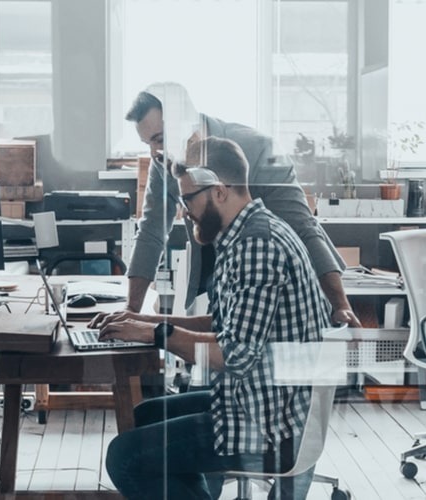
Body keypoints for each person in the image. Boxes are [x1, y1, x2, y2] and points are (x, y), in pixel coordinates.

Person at [96, 137, 331, 500]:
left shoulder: (257, 246)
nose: (183, 211)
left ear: (219, 191)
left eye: (188, 199)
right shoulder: (245, 234)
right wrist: (143, 323)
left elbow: (232, 354)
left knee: (124, 457)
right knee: (145, 417)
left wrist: (156, 334)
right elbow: (226, 325)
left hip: (271, 424)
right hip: (262, 400)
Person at [123, 84, 361, 328]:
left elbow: (302, 227)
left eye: (159, 139)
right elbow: (151, 231)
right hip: (216, 272)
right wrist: (131, 310)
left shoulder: (258, 148)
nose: (154, 153)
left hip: (270, 272)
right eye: (147, 144)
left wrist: (341, 305)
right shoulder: (163, 161)